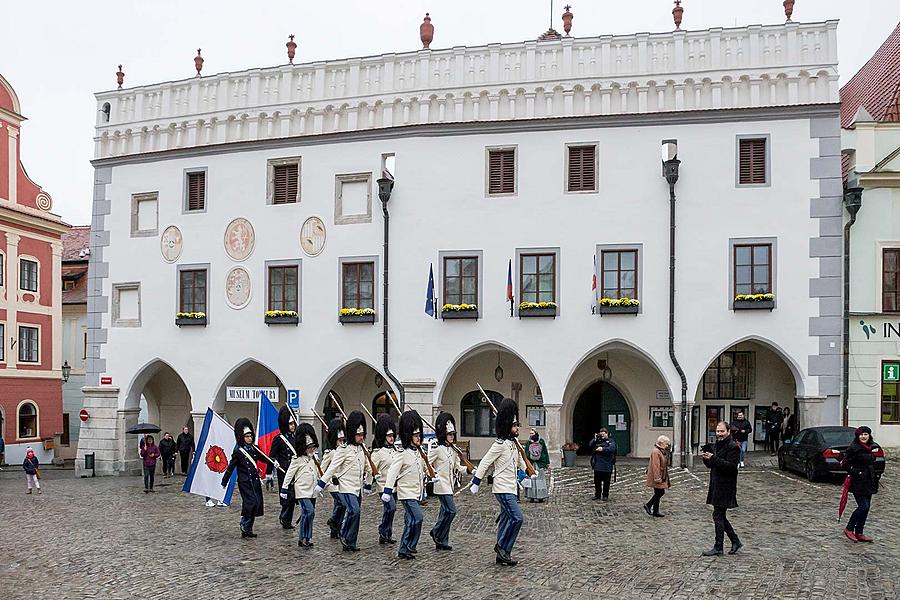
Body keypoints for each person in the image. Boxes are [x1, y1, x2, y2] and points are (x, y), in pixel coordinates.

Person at [470, 398, 532, 567]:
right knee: (517, 518)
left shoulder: (513, 444)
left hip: (511, 488)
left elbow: (519, 461)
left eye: (517, 425)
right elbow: (485, 462)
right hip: (502, 488)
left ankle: (503, 554)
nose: (517, 428)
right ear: (507, 426)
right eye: (514, 425)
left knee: (505, 520)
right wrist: (476, 481)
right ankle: (502, 547)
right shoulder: (500, 445)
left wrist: (527, 474)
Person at [315, 411, 372, 551]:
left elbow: (367, 467)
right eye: (358, 435)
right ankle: (344, 535)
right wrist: (321, 483)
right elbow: (332, 468)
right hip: (346, 487)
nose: (361, 437)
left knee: (357, 515)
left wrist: (370, 481)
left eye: (362, 435)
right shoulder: (343, 449)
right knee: (354, 511)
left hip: (357, 488)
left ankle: (351, 542)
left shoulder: (360, 450)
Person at [384, 411, 426, 559]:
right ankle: (406, 546)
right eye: (415, 435)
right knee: (418, 517)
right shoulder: (402, 453)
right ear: (409, 436)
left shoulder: (417, 452)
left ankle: (407, 547)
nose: (418, 438)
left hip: (416, 492)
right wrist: (387, 491)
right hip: (406, 493)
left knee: (411, 520)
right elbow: (392, 472)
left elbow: (422, 470)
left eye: (419, 435)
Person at [428, 412, 472, 550]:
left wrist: (470, 470)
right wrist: (431, 474)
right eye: (449, 434)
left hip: (450, 484)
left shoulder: (453, 450)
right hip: (441, 485)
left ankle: (442, 541)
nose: (452, 437)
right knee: (451, 511)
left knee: (444, 512)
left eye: (453, 434)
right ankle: (436, 531)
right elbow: (426, 464)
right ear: (443, 434)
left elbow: (458, 467)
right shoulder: (437, 449)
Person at [701, 421, 742, 556]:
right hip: (716, 484)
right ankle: (735, 541)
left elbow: (731, 467)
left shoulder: (733, 447)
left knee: (717, 515)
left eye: (722, 431)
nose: (719, 434)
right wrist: (707, 458)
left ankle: (719, 546)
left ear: (728, 431)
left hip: (726, 486)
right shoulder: (716, 445)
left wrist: (714, 458)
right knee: (720, 516)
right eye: (718, 431)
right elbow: (712, 465)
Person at [220, 418, 265, 538]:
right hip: (245, 482)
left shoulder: (255, 449)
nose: (249, 438)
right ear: (242, 437)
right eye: (247, 436)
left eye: (250, 436)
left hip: (254, 481)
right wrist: (225, 480)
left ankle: (248, 529)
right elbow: (231, 466)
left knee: (256, 504)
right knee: (250, 503)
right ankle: (244, 523)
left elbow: (264, 458)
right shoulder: (238, 451)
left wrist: (273, 462)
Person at [281, 423, 320, 547]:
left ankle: (306, 538)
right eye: (309, 447)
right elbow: (289, 474)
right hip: (302, 491)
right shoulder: (297, 459)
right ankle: (303, 537)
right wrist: (284, 488)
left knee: (309, 514)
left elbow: (317, 473)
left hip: (312, 490)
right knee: (309, 511)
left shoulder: (314, 458)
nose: (311, 449)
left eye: (312, 446)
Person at [842, 426, 882, 543]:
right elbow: (845, 464)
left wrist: (876, 474)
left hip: (869, 480)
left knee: (867, 508)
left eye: (866, 434)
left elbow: (873, 462)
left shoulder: (871, 446)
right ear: (858, 436)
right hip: (858, 481)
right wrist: (857, 472)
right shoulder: (853, 448)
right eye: (861, 435)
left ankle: (859, 532)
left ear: (869, 436)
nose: (863, 437)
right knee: (863, 506)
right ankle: (849, 528)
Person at [370, 413, 399, 545]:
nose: (392, 438)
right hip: (383, 486)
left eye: (393, 435)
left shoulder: (395, 451)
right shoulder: (378, 453)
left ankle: (387, 534)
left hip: (394, 486)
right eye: (389, 436)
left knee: (391, 511)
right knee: (391, 508)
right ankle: (383, 530)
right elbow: (371, 469)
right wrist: (367, 484)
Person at [270, 405, 298, 529]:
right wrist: (273, 465)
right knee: (287, 495)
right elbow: (272, 455)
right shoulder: (278, 439)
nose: (292, 426)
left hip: (294, 470)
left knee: (293, 496)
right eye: (290, 424)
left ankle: (287, 519)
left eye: (293, 423)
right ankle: (284, 517)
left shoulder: (295, 437)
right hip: (284, 470)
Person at [321, 417, 346, 541]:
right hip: (332, 483)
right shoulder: (330, 453)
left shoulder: (345, 451)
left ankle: (335, 529)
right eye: (339, 440)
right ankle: (333, 521)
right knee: (342, 503)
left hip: (343, 483)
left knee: (340, 505)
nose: (341, 442)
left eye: (343, 440)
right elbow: (322, 468)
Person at [644, 435, 671, 517]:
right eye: (666, 444)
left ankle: (655, 511)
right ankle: (648, 505)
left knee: (658, 492)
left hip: (661, 475)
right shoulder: (656, 452)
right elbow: (655, 466)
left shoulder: (660, 451)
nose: (667, 446)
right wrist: (657, 478)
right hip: (657, 476)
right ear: (662, 443)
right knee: (660, 492)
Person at [589, 428, 617, 501]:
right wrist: (595, 439)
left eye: (603, 434)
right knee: (597, 482)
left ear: (607, 433)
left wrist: (603, 449)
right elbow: (590, 445)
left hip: (607, 465)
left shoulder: (611, 441)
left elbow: (612, 449)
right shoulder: (597, 440)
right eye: (601, 434)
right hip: (598, 465)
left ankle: (605, 495)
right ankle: (597, 495)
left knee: (606, 482)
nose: (602, 436)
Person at [524, 428, 550, 503]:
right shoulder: (528, 442)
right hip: (531, 464)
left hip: (539, 463)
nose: (531, 435)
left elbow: (545, 451)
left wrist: (546, 462)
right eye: (530, 434)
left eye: (532, 433)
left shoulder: (541, 441)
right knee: (531, 480)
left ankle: (540, 496)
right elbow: (526, 452)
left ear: (536, 433)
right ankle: (531, 497)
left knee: (540, 480)